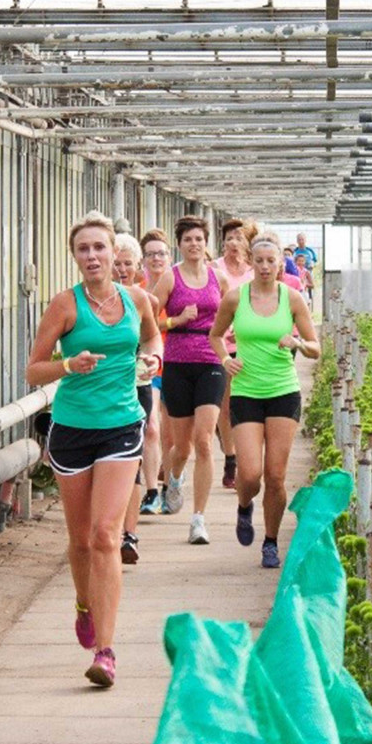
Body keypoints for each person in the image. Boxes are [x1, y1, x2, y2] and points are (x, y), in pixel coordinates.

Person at [26, 212, 161, 688]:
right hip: (72, 429)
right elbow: (33, 370)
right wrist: (69, 365)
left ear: (114, 255)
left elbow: (150, 333)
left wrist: (154, 357)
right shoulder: (65, 306)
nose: (92, 257)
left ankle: (106, 651)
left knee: (107, 536)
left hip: (122, 425)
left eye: (99, 248)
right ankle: (84, 602)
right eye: (83, 249)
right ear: (75, 257)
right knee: (81, 540)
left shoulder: (136, 299)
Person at [209, 232, 320, 568]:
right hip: (246, 391)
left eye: (272, 261)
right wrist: (225, 360)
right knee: (250, 475)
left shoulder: (293, 298)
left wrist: (297, 343)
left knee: (275, 475)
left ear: (280, 264)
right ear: (250, 262)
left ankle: (270, 542)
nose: (265, 267)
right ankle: (245, 506)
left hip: (283, 391)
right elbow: (215, 336)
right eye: (259, 261)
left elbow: (316, 349)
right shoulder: (234, 298)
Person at [152, 216, 231, 544]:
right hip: (177, 364)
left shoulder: (219, 279)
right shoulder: (170, 279)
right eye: (188, 240)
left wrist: (233, 334)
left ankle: (198, 519)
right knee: (181, 447)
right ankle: (174, 477)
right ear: (179, 244)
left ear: (206, 242)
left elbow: (232, 313)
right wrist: (175, 319)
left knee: (203, 441)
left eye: (199, 239)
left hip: (211, 362)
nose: (194, 244)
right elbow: (149, 321)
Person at [112, 233, 163, 564]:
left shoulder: (145, 301)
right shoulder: (82, 302)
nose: (120, 269)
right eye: (115, 263)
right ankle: (110, 530)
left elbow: (153, 338)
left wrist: (150, 358)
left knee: (130, 461)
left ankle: (127, 534)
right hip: (102, 390)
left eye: (126, 263)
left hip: (137, 385)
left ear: (137, 267)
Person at [213, 219, 257, 490]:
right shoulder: (214, 269)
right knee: (226, 406)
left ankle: (247, 456)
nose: (233, 243)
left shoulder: (255, 271)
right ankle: (231, 458)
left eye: (239, 238)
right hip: (223, 345)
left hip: (251, 346)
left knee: (249, 405)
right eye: (229, 237)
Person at [140, 229, 174, 516]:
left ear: (169, 256)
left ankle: (171, 479)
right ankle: (151, 492)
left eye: (161, 253)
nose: (156, 258)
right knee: (151, 426)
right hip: (149, 364)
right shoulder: (137, 291)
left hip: (177, 362)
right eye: (150, 254)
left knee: (172, 432)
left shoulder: (181, 287)